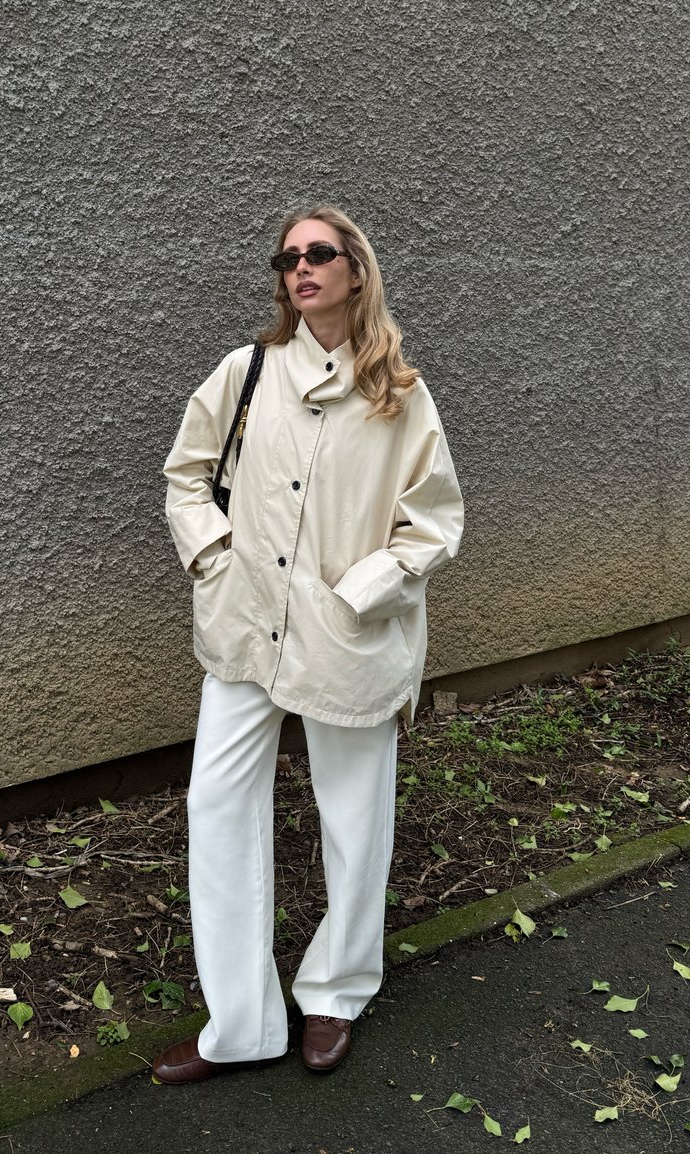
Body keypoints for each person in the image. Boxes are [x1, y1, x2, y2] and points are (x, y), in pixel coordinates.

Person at [154, 205, 464, 1084]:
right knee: (218, 807)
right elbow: (186, 475)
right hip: (245, 625)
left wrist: (360, 592)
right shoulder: (246, 371)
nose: (301, 267)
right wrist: (214, 559)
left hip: (346, 637)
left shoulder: (398, 393)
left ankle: (335, 991)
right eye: (287, 256)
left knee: (355, 817)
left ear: (355, 269)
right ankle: (241, 1024)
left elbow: (434, 523)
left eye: (319, 252)